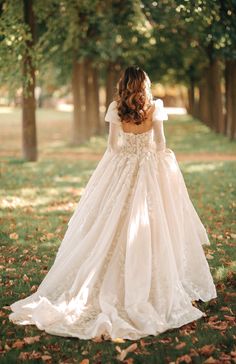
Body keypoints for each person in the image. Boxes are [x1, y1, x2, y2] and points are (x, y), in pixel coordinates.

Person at [9, 66, 217, 341]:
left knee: (110, 221)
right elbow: (160, 142)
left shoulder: (115, 107)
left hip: (122, 167)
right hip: (148, 169)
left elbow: (112, 147)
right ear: (144, 85)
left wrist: (125, 161)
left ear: (124, 85)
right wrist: (152, 160)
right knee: (155, 223)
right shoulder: (155, 107)